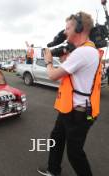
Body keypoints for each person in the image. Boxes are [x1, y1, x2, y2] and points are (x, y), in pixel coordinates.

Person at [37, 12, 102, 176]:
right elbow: (71, 77)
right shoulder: (85, 51)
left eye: (68, 28)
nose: (65, 32)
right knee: (56, 138)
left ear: (79, 28)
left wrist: (49, 61)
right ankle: (53, 170)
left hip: (77, 113)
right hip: (70, 109)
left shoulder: (83, 52)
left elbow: (52, 76)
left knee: (74, 154)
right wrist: (66, 58)